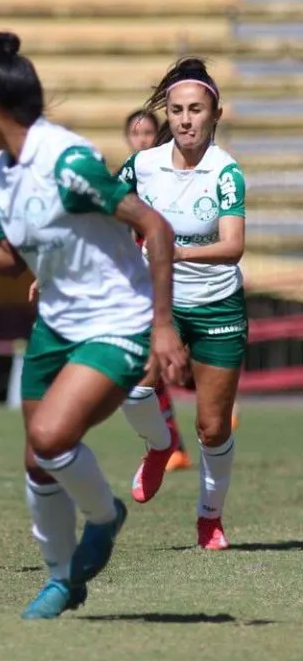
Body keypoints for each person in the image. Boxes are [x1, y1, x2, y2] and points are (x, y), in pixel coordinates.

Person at [0, 32, 186, 619]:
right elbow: (11, 259)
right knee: (36, 458)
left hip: (117, 319)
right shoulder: (1, 175)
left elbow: (158, 229)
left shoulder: (68, 164)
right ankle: (61, 580)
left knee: (51, 439)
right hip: (55, 324)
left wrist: (163, 327)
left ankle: (103, 516)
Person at [118, 58, 246, 550]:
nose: (186, 119)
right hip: (158, 303)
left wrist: (175, 250)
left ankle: (209, 518)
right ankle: (159, 444)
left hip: (217, 308)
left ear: (215, 114)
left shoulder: (226, 172)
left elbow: (233, 246)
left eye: (196, 109)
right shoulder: (143, 164)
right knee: (132, 387)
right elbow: (103, 205)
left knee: (213, 428)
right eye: (177, 110)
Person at [123, 108, 192, 473]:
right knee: (150, 371)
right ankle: (171, 443)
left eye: (149, 133)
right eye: (136, 134)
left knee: (161, 367)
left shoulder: (168, 176)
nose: (143, 140)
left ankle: (174, 441)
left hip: (175, 280)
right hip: (140, 285)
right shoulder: (129, 177)